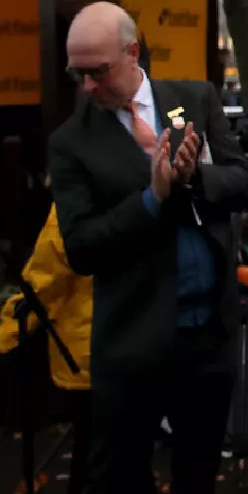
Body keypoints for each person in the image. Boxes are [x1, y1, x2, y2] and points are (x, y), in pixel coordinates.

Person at [51, 1, 248, 494]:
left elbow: (243, 182)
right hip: (133, 347)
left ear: (132, 52)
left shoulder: (195, 99)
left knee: (198, 474)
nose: (88, 88)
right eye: (77, 74)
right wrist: (151, 199)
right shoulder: (71, 143)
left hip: (207, 339)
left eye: (97, 73)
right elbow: (81, 247)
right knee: (118, 477)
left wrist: (194, 178)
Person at [0, 205, 95, 494]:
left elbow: (43, 283)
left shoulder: (76, 202)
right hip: (131, 347)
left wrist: (4, 336)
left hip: (88, 353)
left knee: (92, 457)